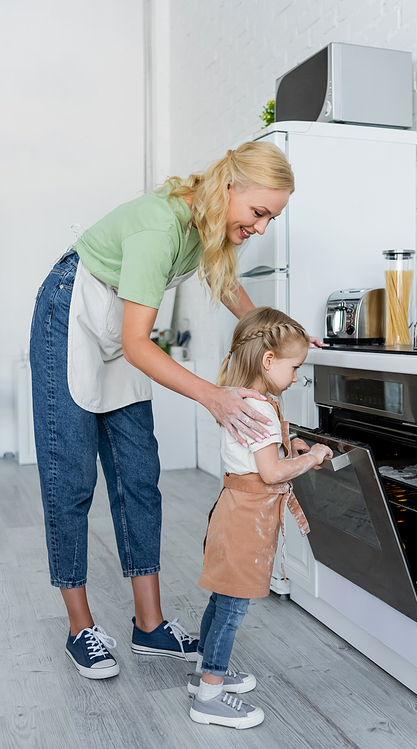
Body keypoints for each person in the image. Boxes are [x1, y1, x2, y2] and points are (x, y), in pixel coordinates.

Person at [30, 141, 328, 680]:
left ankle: (150, 625)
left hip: (121, 326)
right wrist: (212, 396)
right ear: (230, 188)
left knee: (139, 475)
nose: (262, 228)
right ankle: (79, 627)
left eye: (272, 218)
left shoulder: (204, 228)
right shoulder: (159, 227)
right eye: (259, 213)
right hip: (71, 311)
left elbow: (232, 292)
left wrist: (289, 336)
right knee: (70, 475)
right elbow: (142, 346)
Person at [188, 307, 333, 729]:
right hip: (247, 517)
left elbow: (259, 454)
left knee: (222, 597)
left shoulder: (243, 397)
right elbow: (270, 472)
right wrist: (314, 458)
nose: (296, 376)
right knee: (234, 606)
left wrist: (296, 444)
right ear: (269, 361)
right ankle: (210, 695)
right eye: (295, 368)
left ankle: (205, 672)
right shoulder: (264, 409)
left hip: (232, 508)